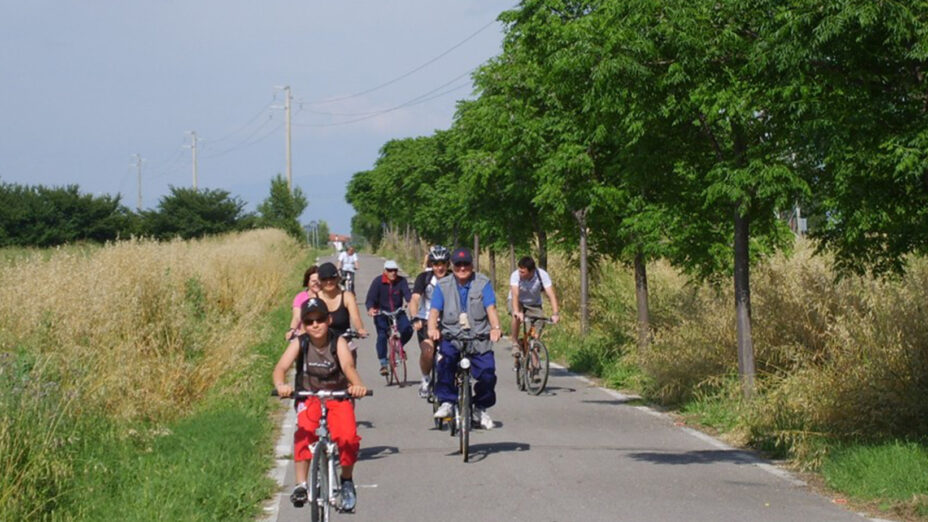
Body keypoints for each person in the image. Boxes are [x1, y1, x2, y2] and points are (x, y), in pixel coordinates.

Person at [272, 297, 368, 512]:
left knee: (347, 437)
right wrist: (281, 385)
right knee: (304, 432)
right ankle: (301, 485)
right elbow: (281, 368)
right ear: (303, 325)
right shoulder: (301, 343)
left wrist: (357, 385)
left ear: (329, 320)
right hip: (309, 395)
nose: (315, 325)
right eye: (309, 321)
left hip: (338, 395)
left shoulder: (338, 341)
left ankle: (346, 481)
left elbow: (348, 365)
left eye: (320, 319)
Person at [428, 247, 502, 430]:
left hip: (478, 337)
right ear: (452, 266)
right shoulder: (443, 285)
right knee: (445, 363)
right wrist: (432, 328)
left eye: (466, 264)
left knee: (487, 374)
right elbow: (435, 311)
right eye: (458, 264)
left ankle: (480, 407)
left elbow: (490, 309)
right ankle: (447, 401)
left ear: (472, 265)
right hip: (452, 336)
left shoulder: (483, 283)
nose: (462, 268)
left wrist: (495, 328)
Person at [408, 245, 451, 398]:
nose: (440, 268)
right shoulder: (424, 278)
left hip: (448, 322)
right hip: (426, 320)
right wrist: (415, 317)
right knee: (428, 352)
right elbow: (414, 299)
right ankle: (426, 378)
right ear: (431, 265)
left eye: (443, 264)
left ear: (447, 264)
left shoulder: (453, 278)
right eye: (436, 264)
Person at [364, 260, 413, 375]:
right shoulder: (377, 282)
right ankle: (383, 363)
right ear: (385, 271)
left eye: (395, 270)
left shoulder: (402, 281)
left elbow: (408, 295)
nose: (393, 273)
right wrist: (371, 308)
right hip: (382, 313)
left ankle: (399, 346)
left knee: (408, 329)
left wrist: (410, 303)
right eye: (390, 270)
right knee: (382, 336)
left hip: (397, 311)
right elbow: (370, 298)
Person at [508, 256, 560, 361]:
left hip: (534, 305)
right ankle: (515, 343)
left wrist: (555, 313)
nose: (520, 273)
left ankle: (534, 369)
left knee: (534, 338)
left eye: (523, 272)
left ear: (531, 271)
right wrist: (517, 312)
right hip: (517, 301)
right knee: (516, 316)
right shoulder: (515, 275)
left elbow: (551, 295)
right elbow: (515, 294)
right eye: (519, 271)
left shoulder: (542, 275)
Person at [316, 262, 368, 358]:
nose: (329, 282)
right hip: (322, 344)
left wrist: (360, 329)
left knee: (349, 365)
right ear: (319, 281)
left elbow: (355, 318)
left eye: (332, 278)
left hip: (344, 341)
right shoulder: (315, 299)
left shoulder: (347, 296)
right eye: (324, 279)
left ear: (337, 278)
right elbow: (307, 320)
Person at [286, 265, 321, 341]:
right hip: (304, 335)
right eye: (313, 281)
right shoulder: (300, 297)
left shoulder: (325, 296)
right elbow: (297, 317)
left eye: (319, 280)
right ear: (307, 282)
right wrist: (292, 329)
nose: (317, 283)